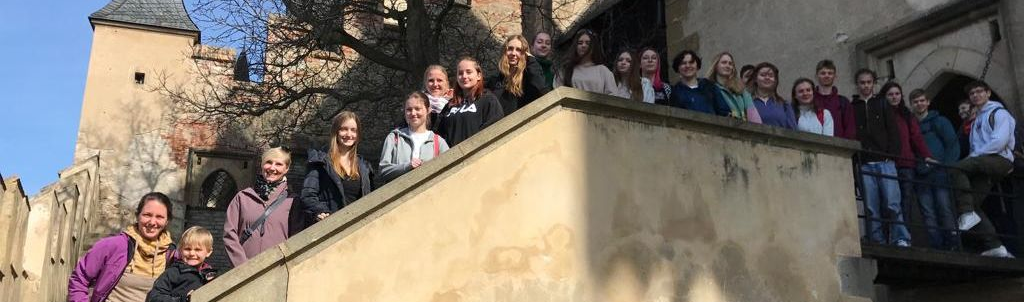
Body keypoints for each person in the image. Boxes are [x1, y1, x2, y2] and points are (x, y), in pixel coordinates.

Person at [69, 192, 178, 302]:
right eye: (147, 215)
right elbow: (79, 278)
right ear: (137, 216)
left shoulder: (172, 255)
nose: (152, 222)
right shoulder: (113, 245)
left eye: (159, 217)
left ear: (167, 221)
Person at [951, 80, 1017, 258]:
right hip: (984, 162)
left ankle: (966, 213)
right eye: (972, 93)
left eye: (979, 91)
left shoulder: (999, 113)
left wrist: (975, 156)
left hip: (998, 159)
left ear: (988, 93)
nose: (976, 95)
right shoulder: (977, 119)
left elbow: (999, 141)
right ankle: (995, 246)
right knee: (973, 203)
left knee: (957, 168)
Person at [851, 69, 911, 247]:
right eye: (862, 82)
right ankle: (877, 239)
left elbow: (893, 130)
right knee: (871, 206)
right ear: (857, 84)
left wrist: (891, 154)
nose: (865, 86)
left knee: (893, 203)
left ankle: (900, 237)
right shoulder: (852, 106)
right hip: (865, 162)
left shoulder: (882, 103)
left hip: (885, 161)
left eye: (869, 82)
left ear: (873, 83)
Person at [295, 111, 376, 234]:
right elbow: (308, 195)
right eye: (344, 129)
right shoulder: (320, 161)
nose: (349, 134)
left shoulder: (364, 167)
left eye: (353, 130)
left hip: (357, 231)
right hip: (330, 229)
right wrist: (320, 211)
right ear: (336, 132)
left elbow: (370, 199)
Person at [882, 82, 935, 248]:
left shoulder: (907, 115)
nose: (894, 97)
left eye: (897, 93)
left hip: (907, 163)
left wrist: (926, 155)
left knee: (905, 201)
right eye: (890, 94)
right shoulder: (882, 114)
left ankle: (903, 237)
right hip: (889, 163)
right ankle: (890, 236)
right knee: (890, 201)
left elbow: (916, 137)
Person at [223, 147, 294, 267]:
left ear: (286, 168)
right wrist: (242, 266)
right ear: (261, 165)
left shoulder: (293, 201)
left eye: (279, 164)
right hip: (244, 272)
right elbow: (229, 234)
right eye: (268, 162)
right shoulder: (242, 198)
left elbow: (296, 238)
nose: (272, 168)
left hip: (277, 270)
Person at [909, 89, 960, 250]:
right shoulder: (911, 125)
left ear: (928, 102)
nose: (919, 104)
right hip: (921, 173)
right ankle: (936, 244)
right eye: (916, 101)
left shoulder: (940, 121)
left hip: (940, 172)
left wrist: (946, 165)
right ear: (911, 104)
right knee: (927, 211)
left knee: (944, 207)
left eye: (922, 100)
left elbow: (952, 145)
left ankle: (953, 243)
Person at [380, 91, 451, 182]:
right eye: (409, 110)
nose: (413, 113)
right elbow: (383, 171)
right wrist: (407, 166)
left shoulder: (438, 142)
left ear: (428, 110)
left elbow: (449, 171)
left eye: (417, 109)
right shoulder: (394, 138)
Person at [436, 57, 505, 146]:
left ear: (478, 75)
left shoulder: (488, 100)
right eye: (460, 73)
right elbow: (438, 137)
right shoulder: (450, 105)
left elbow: (495, 129)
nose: (464, 76)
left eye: (469, 72)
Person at [146, 226, 217, 302]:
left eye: (197, 250)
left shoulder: (210, 275)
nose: (192, 253)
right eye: (187, 249)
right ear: (180, 250)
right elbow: (154, 297)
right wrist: (181, 300)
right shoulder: (173, 273)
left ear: (208, 252)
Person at [489, 35, 551, 115]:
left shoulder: (528, 79)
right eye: (510, 49)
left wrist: (531, 61)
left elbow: (543, 91)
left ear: (524, 54)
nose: (513, 53)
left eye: (518, 50)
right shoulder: (495, 80)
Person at [668, 50, 730, 116]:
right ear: (678, 68)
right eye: (683, 63)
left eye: (691, 62)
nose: (688, 65)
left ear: (697, 66)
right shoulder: (676, 92)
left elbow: (724, 112)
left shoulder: (710, 86)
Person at [554, 29, 617, 95]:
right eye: (580, 43)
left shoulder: (603, 71)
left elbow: (613, 96)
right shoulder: (565, 70)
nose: (583, 46)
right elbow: (557, 94)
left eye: (588, 43)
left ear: (593, 47)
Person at [707, 52, 762, 122]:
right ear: (715, 66)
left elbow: (754, 117)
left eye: (730, 64)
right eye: (724, 62)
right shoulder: (709, 88)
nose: (727, 66)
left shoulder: (742, 91)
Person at [813, 60, 856, 139]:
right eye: (823, 73)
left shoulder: (843, 102)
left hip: (837, 148)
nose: (827, 75)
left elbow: (850, 129)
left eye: (830, 73)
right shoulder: (810, 100)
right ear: (816, 76)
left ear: (835, 76)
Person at [750, 62, 797, 129]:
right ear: (755, 79)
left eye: (771, 75)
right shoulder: (748, 102)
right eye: (763, 75)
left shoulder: (784, 105)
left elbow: (794, 131)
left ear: (775, 80)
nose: (767, 78)